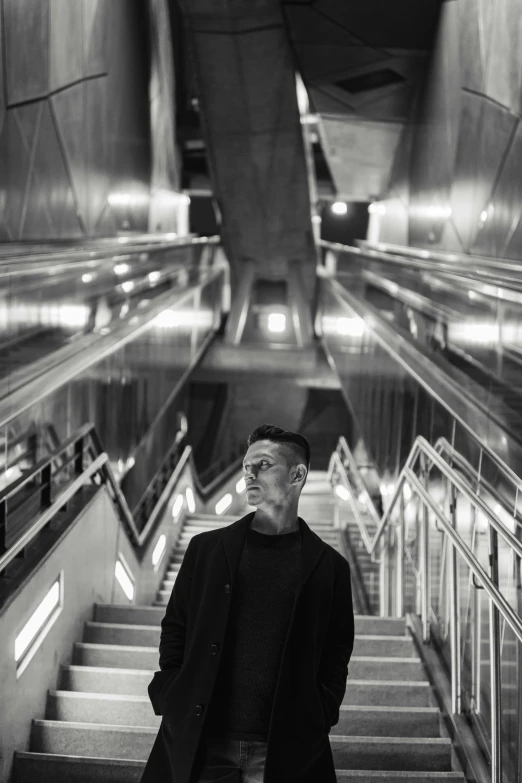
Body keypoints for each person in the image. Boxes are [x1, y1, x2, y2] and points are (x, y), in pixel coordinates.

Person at [141, 424, 355, 783]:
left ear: (297, 474)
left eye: (264, 464)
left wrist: (321, 711)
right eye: (246, 467)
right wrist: (173, 690)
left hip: (285, 749)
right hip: (204, 742)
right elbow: (175, 627)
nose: (249, 474)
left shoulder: (330, 567)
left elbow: (336, 654)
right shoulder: (206, 550)